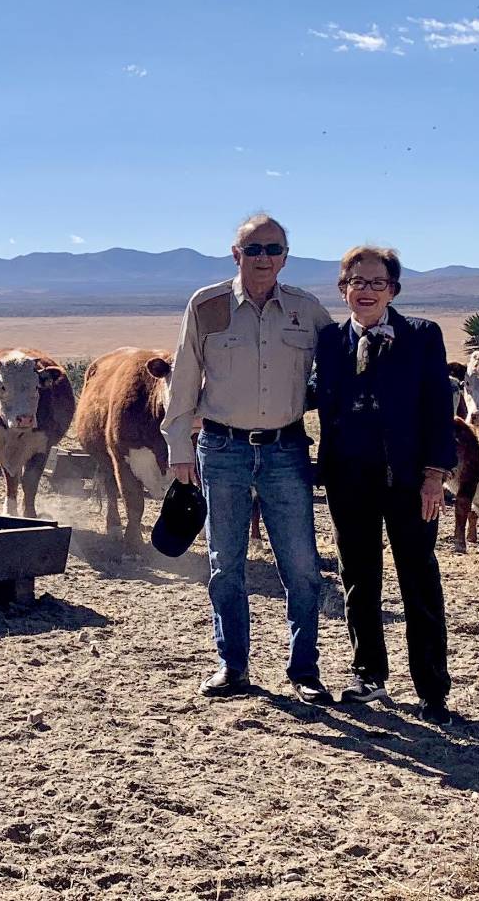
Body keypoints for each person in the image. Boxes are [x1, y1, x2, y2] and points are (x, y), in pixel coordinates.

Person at [163, 214, 334, 703]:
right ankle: (232, 666)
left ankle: (304, 671)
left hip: (286, 450)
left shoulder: (306, 309)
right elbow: (183, 379)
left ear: (286, 255)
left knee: (302, 565)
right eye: (253, 249)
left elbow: (340, 370)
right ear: (235, 254)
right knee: (225, 564)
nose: (264, 257)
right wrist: (179, 448)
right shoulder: (208, 305)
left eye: (273, 249)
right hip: (220, 449)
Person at [311, 245, 456, 725]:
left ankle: (432, 689)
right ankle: (369, 675)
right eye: (357, 282)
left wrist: (435, 475)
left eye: (377, 283)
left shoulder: (421, 335)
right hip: (348, 479)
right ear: (342, 289)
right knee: (358, 577)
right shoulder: (330, 340)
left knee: (418, 577)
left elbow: (438, 407)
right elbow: (309, 395)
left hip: (410, 481)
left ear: (393, 289)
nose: (366, 291)